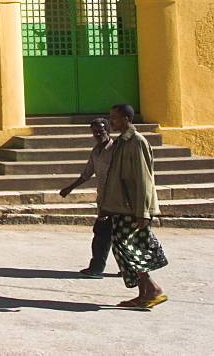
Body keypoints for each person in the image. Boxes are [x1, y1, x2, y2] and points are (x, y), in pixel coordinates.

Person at [99, 103, 169, 309]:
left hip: (134, 208)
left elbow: (144, 179)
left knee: (128, 245)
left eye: (114, 118)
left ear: (125, 120)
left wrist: (143, 211)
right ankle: (143, 293)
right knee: (122, 245)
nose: (110, 121)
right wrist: (106, 206)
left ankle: (153, 288)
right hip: (121, 206)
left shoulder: (137, 142)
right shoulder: (121, 142)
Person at [59, 118, 115, 278]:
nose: (98, 135)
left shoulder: (115, 150)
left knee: (104, 234)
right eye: (95, 132)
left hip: (115, 200)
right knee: (107, 234)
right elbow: (87, 174)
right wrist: (69, 188)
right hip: (103, 199)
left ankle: (98, 268)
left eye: (101, 131)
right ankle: (103, 267)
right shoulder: (96, 152)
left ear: (108, 131)